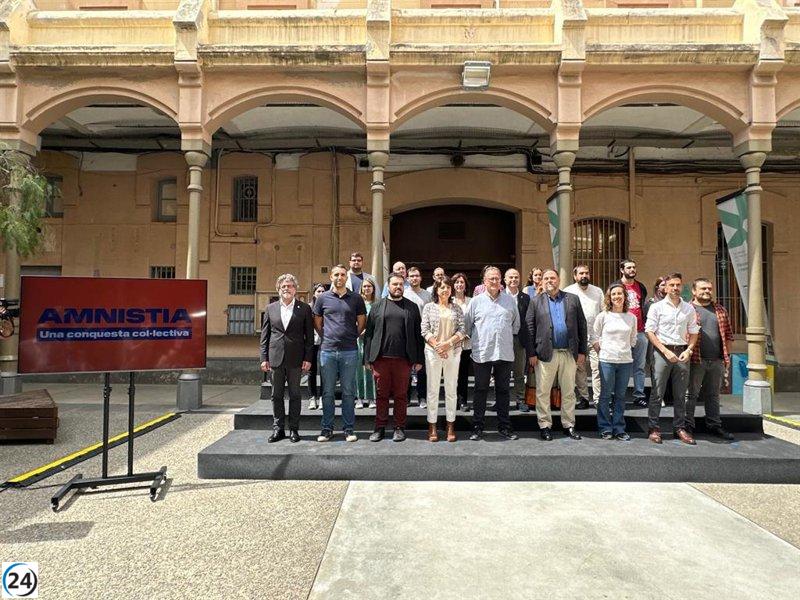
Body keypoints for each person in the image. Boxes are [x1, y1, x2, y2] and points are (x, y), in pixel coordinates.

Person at [525, 268, 587, 441]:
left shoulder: (572, 299)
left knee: (569, 391)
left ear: (559, 280)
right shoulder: (535, 301)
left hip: (569, 353)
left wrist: (582, 351)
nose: (549, 281)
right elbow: (529, 328)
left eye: (552, 277)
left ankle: (569, 425)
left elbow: (582, 326)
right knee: (543, 392)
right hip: (545, 353)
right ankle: (545, 425)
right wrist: (531, 353)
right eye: (546, 278)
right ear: (541, 282)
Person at [363, 272, 424, 442]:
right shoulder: (377, 307)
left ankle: (399, 427)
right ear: (388, 287)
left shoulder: (411, 307)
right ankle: (380, 428)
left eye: (400, 284)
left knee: (401, 395)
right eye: (394, 284)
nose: (398, 287)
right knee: (381, 395)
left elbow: (418, 335)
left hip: (403, 360)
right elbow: (369, 334)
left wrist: (419, 359)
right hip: (381, 358)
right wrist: (367, 359)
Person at [463, 266, 520, 441]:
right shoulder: (476, 302)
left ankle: (505, 427)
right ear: (484, 282)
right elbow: (467, 326)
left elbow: (515, 325)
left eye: (497, 278)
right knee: (480, 391)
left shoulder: (510, 301)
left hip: (504, 352)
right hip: (482, 353)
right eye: (491, 279)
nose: (495, 282)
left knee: (503, 391)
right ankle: (477, 428)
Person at [312, 264, 367, 442]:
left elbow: (361, 323)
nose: (339, 277)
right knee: (327, 392)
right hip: (327, 351)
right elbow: (318, 323)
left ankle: (348, 429)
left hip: (349, 351)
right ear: (331, 277)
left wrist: (351, 336)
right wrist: (328, 337)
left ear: (346, 277)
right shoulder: (323, 299)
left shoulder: (356, 298)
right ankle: (327, 429)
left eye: (343, 274)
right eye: (336, 274)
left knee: (348, 392)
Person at [644, 272, 700, 445]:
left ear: (681, 287)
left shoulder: (689, 308)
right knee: (657, 393)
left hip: (682, 353)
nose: (675, 288)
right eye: (672, 285)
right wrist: (664, 351)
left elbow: (694, 331)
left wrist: (689, 350)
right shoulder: (657, 307)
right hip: (662, 352)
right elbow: (649, 331)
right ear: (665, 287)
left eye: (678, 285)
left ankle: (679, 428)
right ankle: (654, 428)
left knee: (681, 394)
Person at [259, 274, 314, 443]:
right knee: (276, 395)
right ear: (278, 289)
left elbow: (309, 337)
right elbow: (265, 336)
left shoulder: (304, 308)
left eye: (290, 286)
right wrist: (264, 358)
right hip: (275, 358)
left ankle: (294, 429)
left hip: (296, 358)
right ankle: (278, 429)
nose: (286, 289)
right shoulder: (271, 308)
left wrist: (308, 357)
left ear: (295, 289)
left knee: (295, 395)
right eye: (283, 286)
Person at [687, 278, 735, 441]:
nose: (707, 291)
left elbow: (728, 335)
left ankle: (714, 425)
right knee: (691, 395)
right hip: (695, 360)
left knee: (713, 395)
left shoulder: (720, 310)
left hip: (716, 360)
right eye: (703, 289)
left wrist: (726, 357)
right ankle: (688, 426)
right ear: (694, 291)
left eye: (709, 288)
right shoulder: (688, 309)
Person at [422, 276, 466, 442]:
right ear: (436, 290)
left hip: (453, 352)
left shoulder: (457, 308)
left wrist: (447, 344)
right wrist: (437, 346)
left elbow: (462, 330)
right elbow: (424, 330)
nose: (445, 290)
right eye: (442, 287)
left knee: (451, 389)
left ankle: (450, 425)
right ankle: (432, 425)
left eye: (448, 287)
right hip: (433, 352)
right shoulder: (428, 307)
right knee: (432, 389)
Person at [592, 283, 637, 441]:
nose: (617, 297)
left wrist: (624, 350)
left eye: (620, 293)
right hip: (607, 361)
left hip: (625, 361)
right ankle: (605, 427)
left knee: (620, 396)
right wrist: (602, 350)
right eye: (614, 294)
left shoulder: (631, 317)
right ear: (609, 298)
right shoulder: (603, 316)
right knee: (605, 396)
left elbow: (633, 339)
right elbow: (594, 336)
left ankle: (619, 428)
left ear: (625, 296)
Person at [564, 265, 604, 410]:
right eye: (581, 273)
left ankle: (599, 399)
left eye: (586, 273)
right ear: (575, 276)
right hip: (577, 338)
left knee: (597, 368)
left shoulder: (598, 291)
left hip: (595, 337)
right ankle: (584, 398)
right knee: (579, 369)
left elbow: (603, 313)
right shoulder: (568, 291)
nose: (584, 275)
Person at [614, 259, 649, 408]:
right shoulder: (616, 287)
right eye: (629, 267)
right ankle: (618, 395)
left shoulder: (640, 286)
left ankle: (639, 395)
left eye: (634, 267)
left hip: (640, 331)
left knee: (639, 366)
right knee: (620, 365)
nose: (632, 270)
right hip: (621, 333)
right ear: (622, 270)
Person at [504, 268, 531, 413]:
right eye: (511, 277)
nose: (513, 280)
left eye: (516, 277)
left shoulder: (525, 298)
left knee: (520, 372)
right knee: (502, 372)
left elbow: (528, 321)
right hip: (503, 340)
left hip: (519, 340)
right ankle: (502, 400)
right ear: (505, 280)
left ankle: (520, 399)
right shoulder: (500, 296)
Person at [404, 266, 432, 407]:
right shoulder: (404, 293)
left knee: (422, 369)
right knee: (407, 368)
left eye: (416, 275)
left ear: (421, 278)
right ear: (407, 278)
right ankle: (407, 397)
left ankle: (422, 397)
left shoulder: (427, 295)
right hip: (407, 335)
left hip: (423, 336)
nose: (414, 278)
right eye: (411, 276)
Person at [645, 275, 669, 406]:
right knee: (656, 370)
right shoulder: (651, 303)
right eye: (662, 285)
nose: (665, 287)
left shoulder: (675, 302)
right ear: (657, 287)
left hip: (669, 341)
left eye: (667, 284)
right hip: (654, 341)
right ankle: (659, 397)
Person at [452, 272, 473, 411]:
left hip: (466, 343)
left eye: (462, 282)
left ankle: (463, 401)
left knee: (463, 374)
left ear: (465, 285)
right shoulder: (448, 300)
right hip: (451, 343)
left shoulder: (472, 301)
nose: (459, 284)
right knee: (452, 374)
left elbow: (474, 320)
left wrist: (467, 334)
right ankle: (452, 401)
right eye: (457, 282)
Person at [356, 277, 378, 409]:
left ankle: (371, 398)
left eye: (369, 286)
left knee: (371, 369)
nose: (367, 288)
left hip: (372, 340)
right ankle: (359, 398)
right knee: (358, 370)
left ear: (373, 288)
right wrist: (358, 330)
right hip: (358, 340)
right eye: (364, 286)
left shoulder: (377, 304)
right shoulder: (357, 303)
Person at [307, 282, 326, 410]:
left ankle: (322, 397)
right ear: (314, 293)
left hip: (326, 341)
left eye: (323, 291)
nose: (320, 293)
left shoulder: (329, 305)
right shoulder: (308, 307)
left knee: (325, 370)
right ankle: (312, 397)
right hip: (312, 341)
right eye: (318, 291)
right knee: (311, 371)